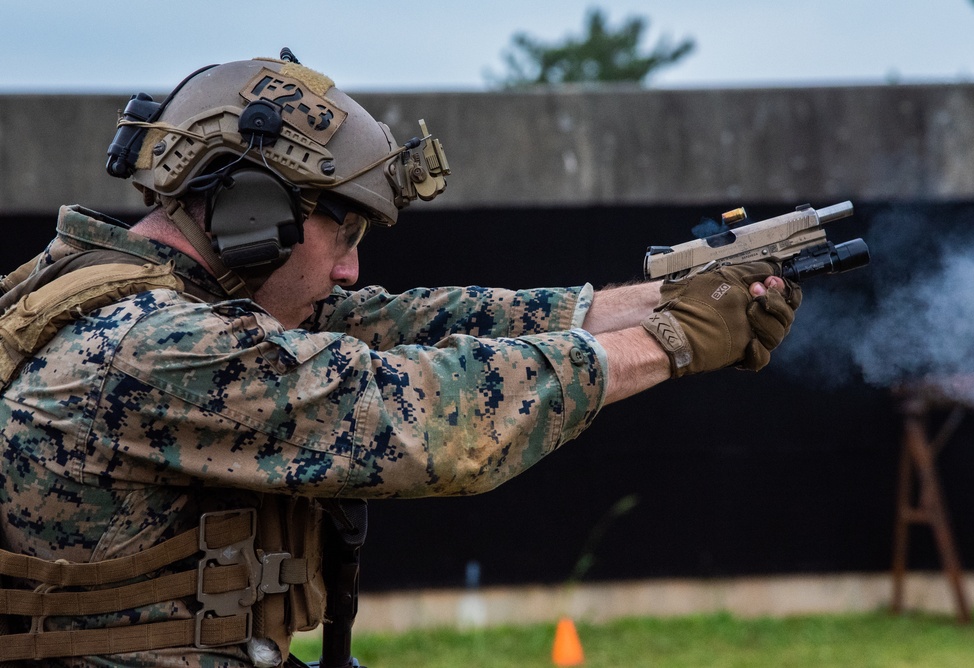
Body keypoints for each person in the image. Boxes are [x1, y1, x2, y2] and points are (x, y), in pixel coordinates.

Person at [0, 51, 800, 668]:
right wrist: (670, 342)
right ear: (252, 211)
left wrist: (667, 299)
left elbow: (401, 324)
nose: (350, 268)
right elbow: (432, 419)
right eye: (342, 234)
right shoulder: (157, 346)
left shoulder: (109, 292)